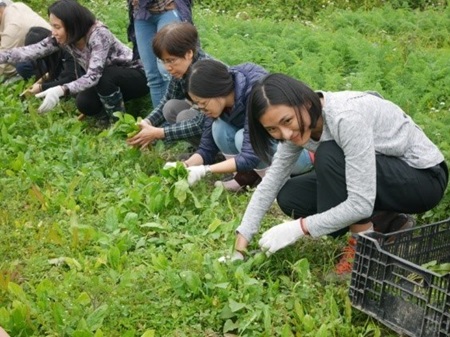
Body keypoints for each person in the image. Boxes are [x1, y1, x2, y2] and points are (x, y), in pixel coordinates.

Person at [226, 73, 448, 278]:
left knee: (330, 154)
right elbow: (271, 182)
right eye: (272, 129)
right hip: (382, 177)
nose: (285, 134)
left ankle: (363, 246)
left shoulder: (345, 118)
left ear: (306, 103)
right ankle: (388, 220)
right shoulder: (299, 127)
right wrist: (240, 244)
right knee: (290, 195)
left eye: (287, 121)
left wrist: (299, 228)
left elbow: (360, 204)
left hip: (423, 179)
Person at [169, 59, 314, 191]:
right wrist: (186, 166)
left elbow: (250, 156)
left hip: (298, 153)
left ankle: (276, 185)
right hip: (271, 149)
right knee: (219, 127)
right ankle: (243, 177)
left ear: (216, 91)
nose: (202, 109)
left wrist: (204, 170)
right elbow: (207, 147)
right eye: (198, 105)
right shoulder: (220, 101)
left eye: (203, 103)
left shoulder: (253, 93)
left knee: (240, 137)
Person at [0, 0, 148, 121]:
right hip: (105, 79)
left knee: (104, 76)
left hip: (136, 75)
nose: (53, 32)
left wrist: (60, 89)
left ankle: (118, 121)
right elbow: (30, 51)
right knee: (84, 103)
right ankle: (109, 104)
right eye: (52, 26)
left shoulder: (98, 35)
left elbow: (93, 76)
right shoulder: (66, 37)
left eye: (57, 27)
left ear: (72, 24)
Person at [127, 22, 211, 149]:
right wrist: (146, 122)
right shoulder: (183, 69)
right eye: (164, 61)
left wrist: (159, 133)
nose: (168, 68)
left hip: (227, 127)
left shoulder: (206, 73)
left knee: (185, 117)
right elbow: (167, 99)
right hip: (208, 119)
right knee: (170, 107)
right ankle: (201, 149)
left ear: (189, 53)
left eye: (171, 60)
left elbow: (201, 122)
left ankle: (212, 153)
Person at [130, 0, 194, 108]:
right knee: (152, 76)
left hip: (167, 8)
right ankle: (160, 121)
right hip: (141, 13)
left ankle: (186, 116)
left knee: (168, 70)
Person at [20, 26, 80, 97]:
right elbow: (54, 71)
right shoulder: (54, 52)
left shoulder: (68, 49)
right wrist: (38, 83)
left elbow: (71, 79)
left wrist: (41, 87)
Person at [0, 1, 50, 81]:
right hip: (51, 43)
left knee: (19, 67)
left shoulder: (12, 28)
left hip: (48, 58)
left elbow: (2, 62)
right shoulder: (16, 6)